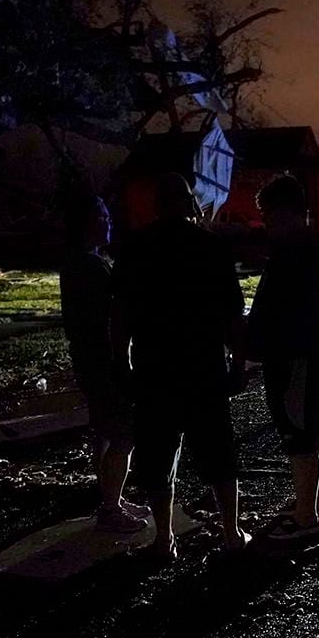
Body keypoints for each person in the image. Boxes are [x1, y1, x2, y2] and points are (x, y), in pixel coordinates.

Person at [110, 173, 251, 558]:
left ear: (157, 206)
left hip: (154, 369)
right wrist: (238, 363)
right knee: (218, 454)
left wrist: (121, 361)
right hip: (204, 368)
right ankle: (231, 533)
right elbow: (232, 316)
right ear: (191, 205)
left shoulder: (135, 248)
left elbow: (120, 314)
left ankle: (163, 539)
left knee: (157, 456)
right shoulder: (211, 248)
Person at [247, 175, 319, 540]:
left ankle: (307, 517)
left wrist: (253, 339)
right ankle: (308, 503)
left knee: (298, 430)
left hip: (295, 352)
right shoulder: (304, 246)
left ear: (285, 212)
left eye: (268, 215)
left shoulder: (294, 250)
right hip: (303, 349)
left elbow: (283, 309)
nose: (265, 223)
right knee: (305, 427)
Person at [60, 192, 150, 532]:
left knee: (106, 432)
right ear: (88, 223)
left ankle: (111, 496)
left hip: (89, 361)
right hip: (103, 362)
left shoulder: (75, 263)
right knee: (124, 434)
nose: (109, 222)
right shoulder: (91, 266)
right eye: (103, 217)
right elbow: (113, 314)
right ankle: (111, 508)